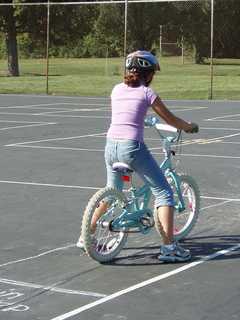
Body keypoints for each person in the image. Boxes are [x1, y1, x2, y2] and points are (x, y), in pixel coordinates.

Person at [77, 50, 198, 262]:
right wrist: (188, 127)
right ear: (148, 74)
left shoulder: (116, 90)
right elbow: (170, 119)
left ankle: (86, 234)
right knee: (164, 193)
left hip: (110, 146)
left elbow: (127, 115)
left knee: (113, 190)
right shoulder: (146, 93)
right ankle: (169, 248)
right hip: (131, 147)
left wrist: (144, 120)